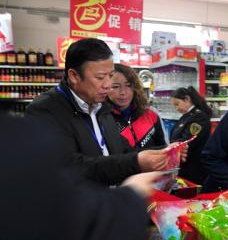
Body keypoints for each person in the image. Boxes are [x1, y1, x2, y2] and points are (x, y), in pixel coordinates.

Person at [0, 114, 162, 240]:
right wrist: (131, 195)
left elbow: (123, 150)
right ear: (75, 81)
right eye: (100, 81)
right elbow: (63, 212)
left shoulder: (104, 114)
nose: (107, 85)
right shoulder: (42, 118)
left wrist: (153, 154)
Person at [26, 38, 172, 186]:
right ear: (74, 76)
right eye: (100, 77)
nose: (108, 85)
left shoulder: (101, 107)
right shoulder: (45, 110)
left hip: (107, 203)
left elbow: (123, 151)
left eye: (110, 76)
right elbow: (70, 167)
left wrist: (164, 151)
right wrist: (136, 162)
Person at [107, 63, 166, 149]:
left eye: (128, 85)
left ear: (135, 87)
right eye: (115, 86)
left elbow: (162, 149)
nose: (123, 92)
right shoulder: (102, 118)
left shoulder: (151, 115)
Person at [170, 86, 212, 184]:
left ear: (187, 99)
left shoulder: (199, 117)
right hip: (185, 165)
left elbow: (190, 140)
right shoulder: (188, 116)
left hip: (194, 167)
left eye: (177, 104)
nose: (176, 108)